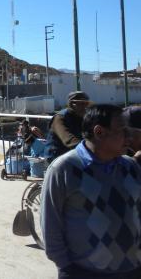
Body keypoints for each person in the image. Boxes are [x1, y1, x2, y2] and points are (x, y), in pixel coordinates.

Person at [41, 104, 141, 278]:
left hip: (132, 270)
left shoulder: (131, 166)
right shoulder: (64, 169)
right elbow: (51, 224)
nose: (129, 137)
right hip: (84, 272)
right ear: (99, 132)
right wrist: (66, 267)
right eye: (123, 131)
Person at [45, 91, 90, 163]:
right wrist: (90, 148)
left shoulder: (83, 117)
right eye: (81, 104)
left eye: (86, 104)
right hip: (57, 158)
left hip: (73, 155)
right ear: (72, 104)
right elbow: (69, 140)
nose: (85, 107)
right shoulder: (60, 118)